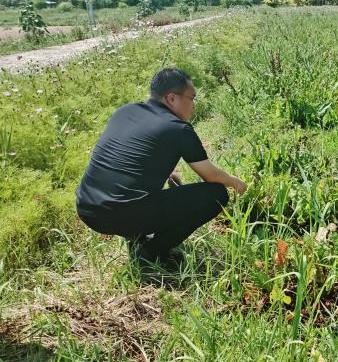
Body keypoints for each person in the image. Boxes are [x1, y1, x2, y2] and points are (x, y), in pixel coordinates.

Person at [75, 68, 246, 266]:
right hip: (119, 213)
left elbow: (131, 158)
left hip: (87, 208)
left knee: (159, 188)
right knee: (216, 195)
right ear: (172, 98)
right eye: (192, 98)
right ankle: (149, 253)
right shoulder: (178, 128)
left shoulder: (125, 111)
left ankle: (137, 236)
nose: (194, 105)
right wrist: (238, 185)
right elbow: (211, 175)